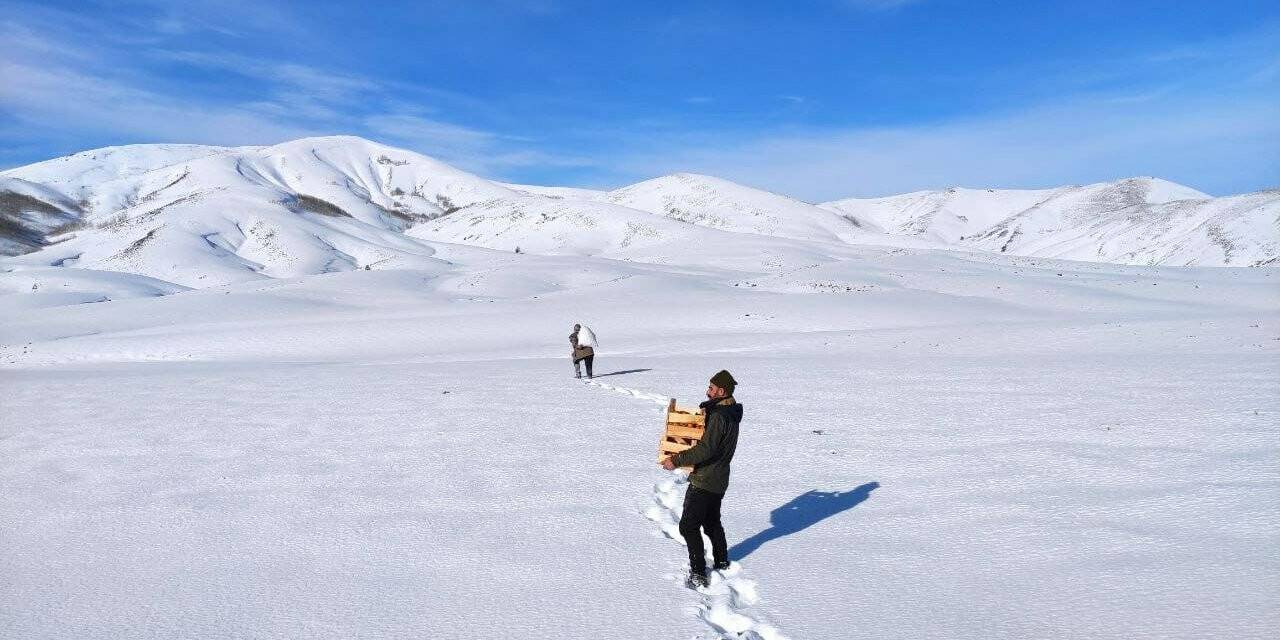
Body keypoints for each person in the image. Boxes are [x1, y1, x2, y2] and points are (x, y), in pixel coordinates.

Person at [661, 370, 741, 589]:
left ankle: (698, 573)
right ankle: (722, 561)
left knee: (688, 526)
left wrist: (676, 459)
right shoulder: (730, 411)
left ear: (721, 391)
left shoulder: (719, 416)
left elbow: (706, 449)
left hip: (706, 479)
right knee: (711, 521)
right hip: (719, 478)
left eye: (711, 388)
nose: (708, 391)